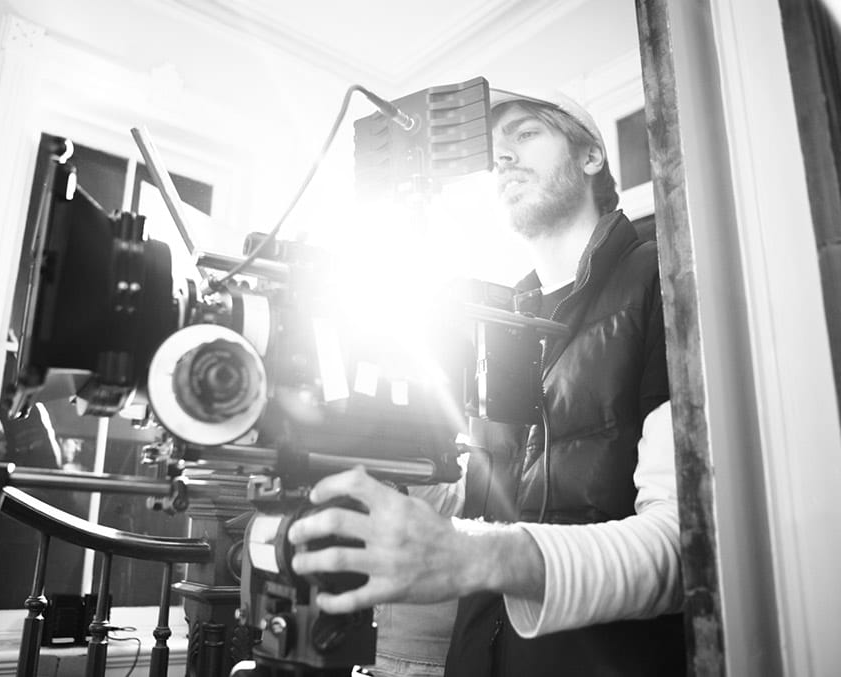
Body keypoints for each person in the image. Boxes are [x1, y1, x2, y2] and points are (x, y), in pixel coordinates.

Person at [287, 88, 685, 676]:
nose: (504, 158)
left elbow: (681, 551)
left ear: (591, 156)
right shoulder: (494, 322)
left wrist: (473, 556)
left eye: (525, 135)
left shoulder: (663, 278)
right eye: (495, 151)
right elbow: (483, 504)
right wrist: (386, 474)